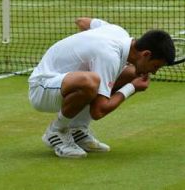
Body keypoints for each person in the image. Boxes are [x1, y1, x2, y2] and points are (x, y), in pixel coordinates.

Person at [28, 17, 175, 158]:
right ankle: (56, 131)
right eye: (155, 66)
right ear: (146, 54)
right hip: (42, 88)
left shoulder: (118, 32)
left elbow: (82, 21)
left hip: (63, 83)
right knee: (91, 82)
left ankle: (77, 128)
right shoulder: (109, 56)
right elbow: (98, 111)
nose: (154, 72)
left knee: (130, 73)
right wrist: (131, 88)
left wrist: (81, 52)